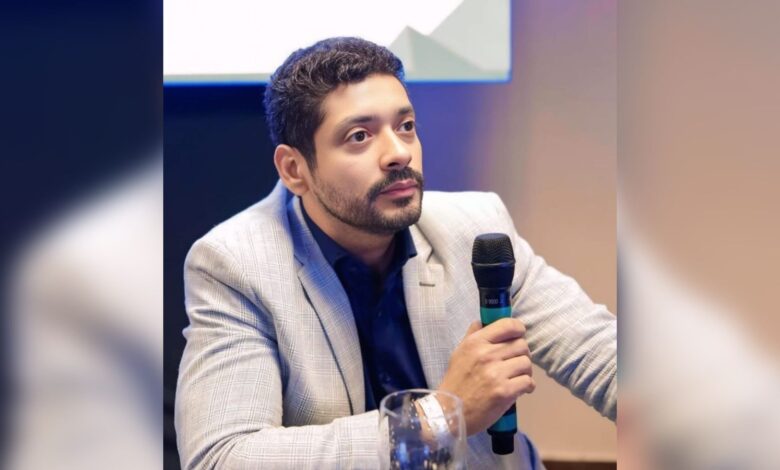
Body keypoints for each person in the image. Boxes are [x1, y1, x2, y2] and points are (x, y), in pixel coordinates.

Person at [175, 37, 616, 469]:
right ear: (295, 169)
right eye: (359, 136)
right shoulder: (237, 264)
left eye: (405, 126)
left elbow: (600, 355)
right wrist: (437, 418)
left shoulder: (474, 227)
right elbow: (223, 457)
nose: (399, 153)